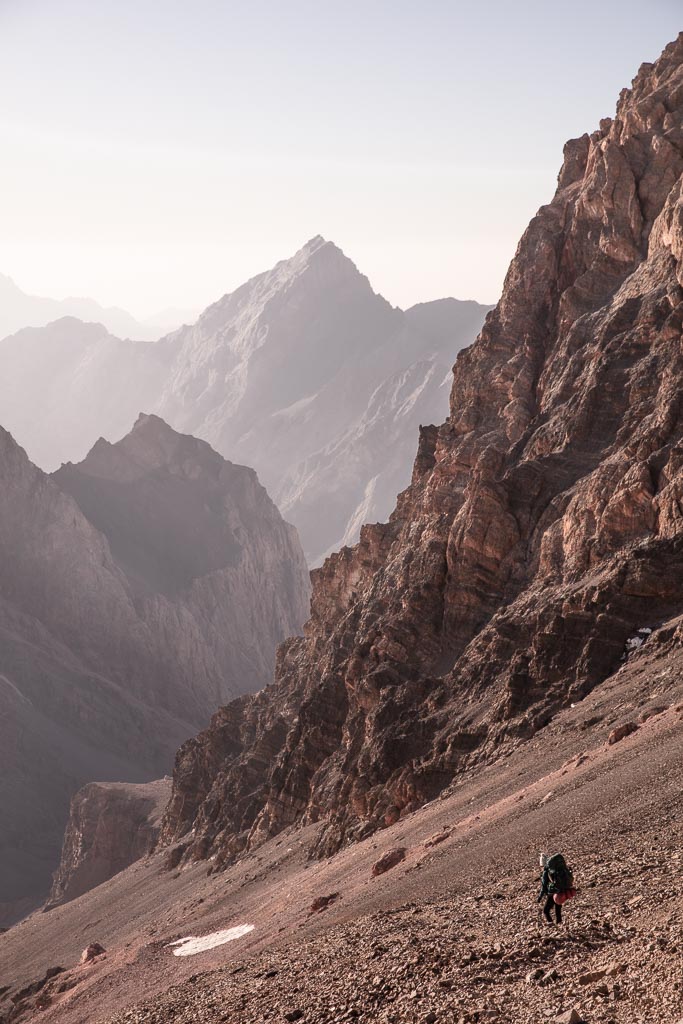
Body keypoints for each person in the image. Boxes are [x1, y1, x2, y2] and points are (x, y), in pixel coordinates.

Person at [537, 852, 574, 924]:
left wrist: (540, 897)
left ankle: (551, 925)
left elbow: (544, 886)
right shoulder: (555, 869)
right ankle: (559, 924)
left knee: (546, 911)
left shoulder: (546, 871)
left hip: (552, 893)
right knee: (558, 910)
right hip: (561, 890)